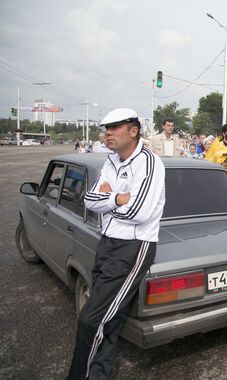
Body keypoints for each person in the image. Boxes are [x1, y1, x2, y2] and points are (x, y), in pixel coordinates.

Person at [68, 108, 165, 379]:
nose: (107, 133)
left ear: (133, 131)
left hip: (133, 247)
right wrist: (118, 199)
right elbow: (89, 200)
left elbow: (141, 213)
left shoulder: (149, 162)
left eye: (113, 128)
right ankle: (102, 371)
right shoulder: (110, 161)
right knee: (110, 316)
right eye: (105, 128)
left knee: (92, 319)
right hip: (108, 242)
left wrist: (109, 203)